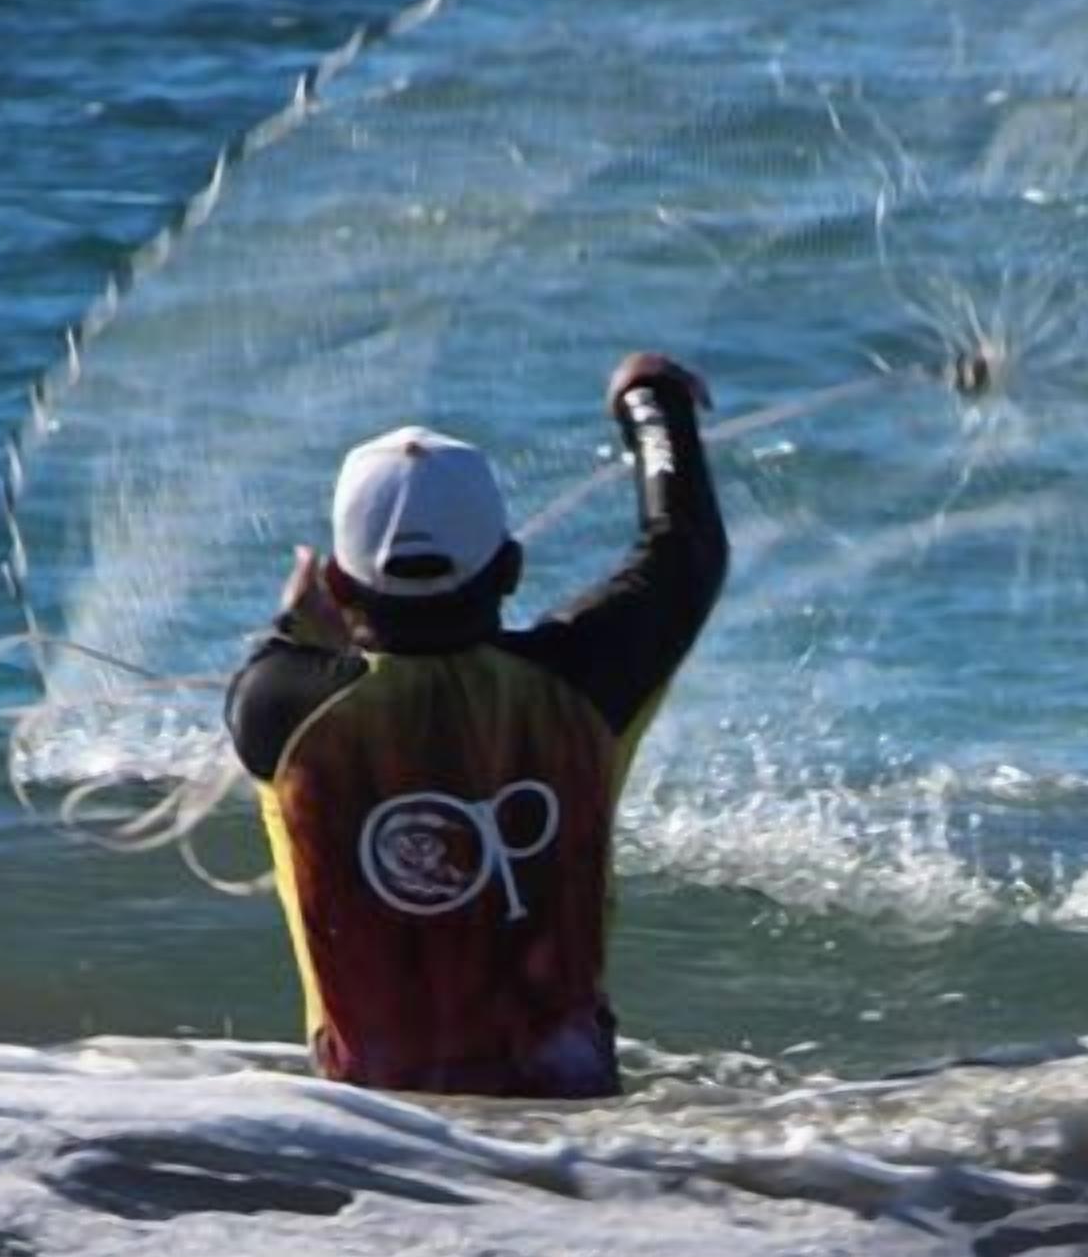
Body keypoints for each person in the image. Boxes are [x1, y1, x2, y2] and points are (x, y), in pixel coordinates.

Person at [224, 352, 726, 1097]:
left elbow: (277, 658)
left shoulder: (278, 709)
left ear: (335, 582)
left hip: (372, 1142)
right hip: (575, 1136)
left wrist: (295, 629)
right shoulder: (584, 682)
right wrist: (653, 404)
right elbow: (683, 551)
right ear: (512, 568)